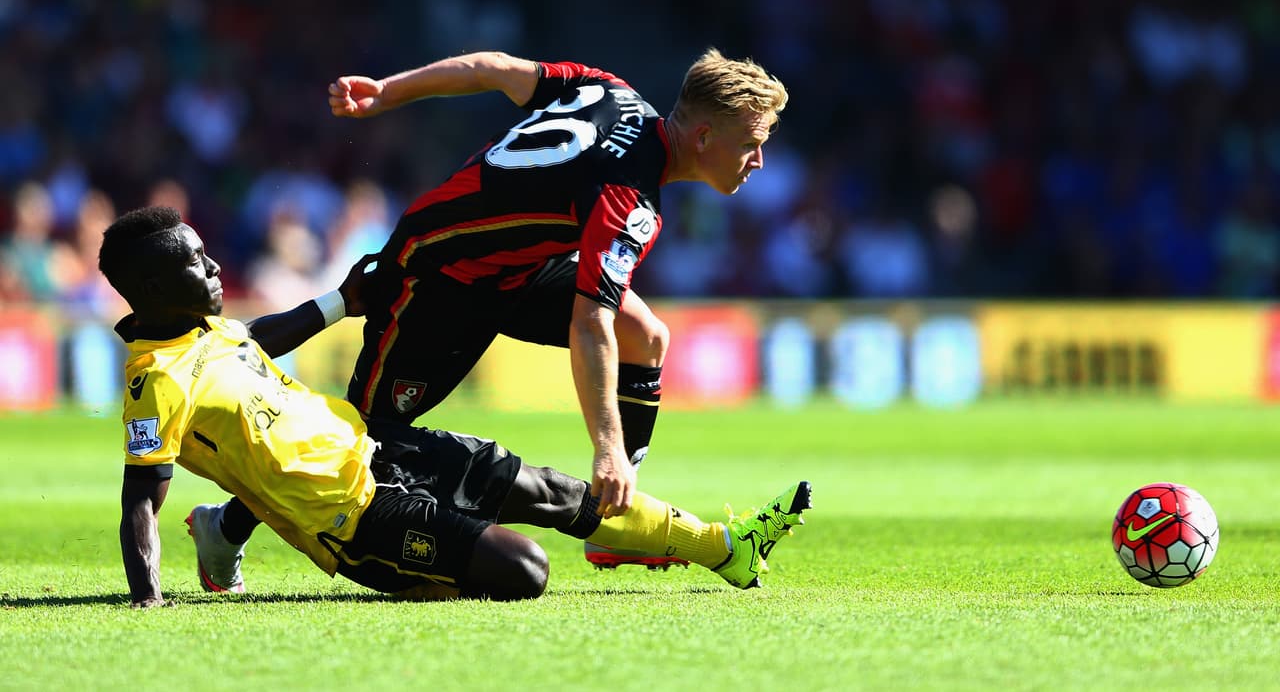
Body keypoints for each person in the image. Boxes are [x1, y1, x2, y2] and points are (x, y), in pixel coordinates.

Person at [100, 206, 811, 607]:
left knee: (552, 489)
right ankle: (411, 561)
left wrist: (340, 301)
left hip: (378, 447)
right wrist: (147, 598)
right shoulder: (153, 381)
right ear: (155, 285)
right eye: (197, 262)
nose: (216, 267)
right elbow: (140, 497)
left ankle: (726, 549)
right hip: (353, 519)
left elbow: (258, 334)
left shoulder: (209, 329)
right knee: (525, 570)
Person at [326, 48, 789, 572]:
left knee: (646, 337)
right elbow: (590, 322)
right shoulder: (628, 199)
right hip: (439, 275)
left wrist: (388, 90)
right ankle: (227, 524)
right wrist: (607, 449)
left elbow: (492, 67)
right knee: (363, 438)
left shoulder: (610, 89)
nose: (758, 161)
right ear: (703, 138)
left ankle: (618, 526)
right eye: (750, 145)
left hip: (517, 268)